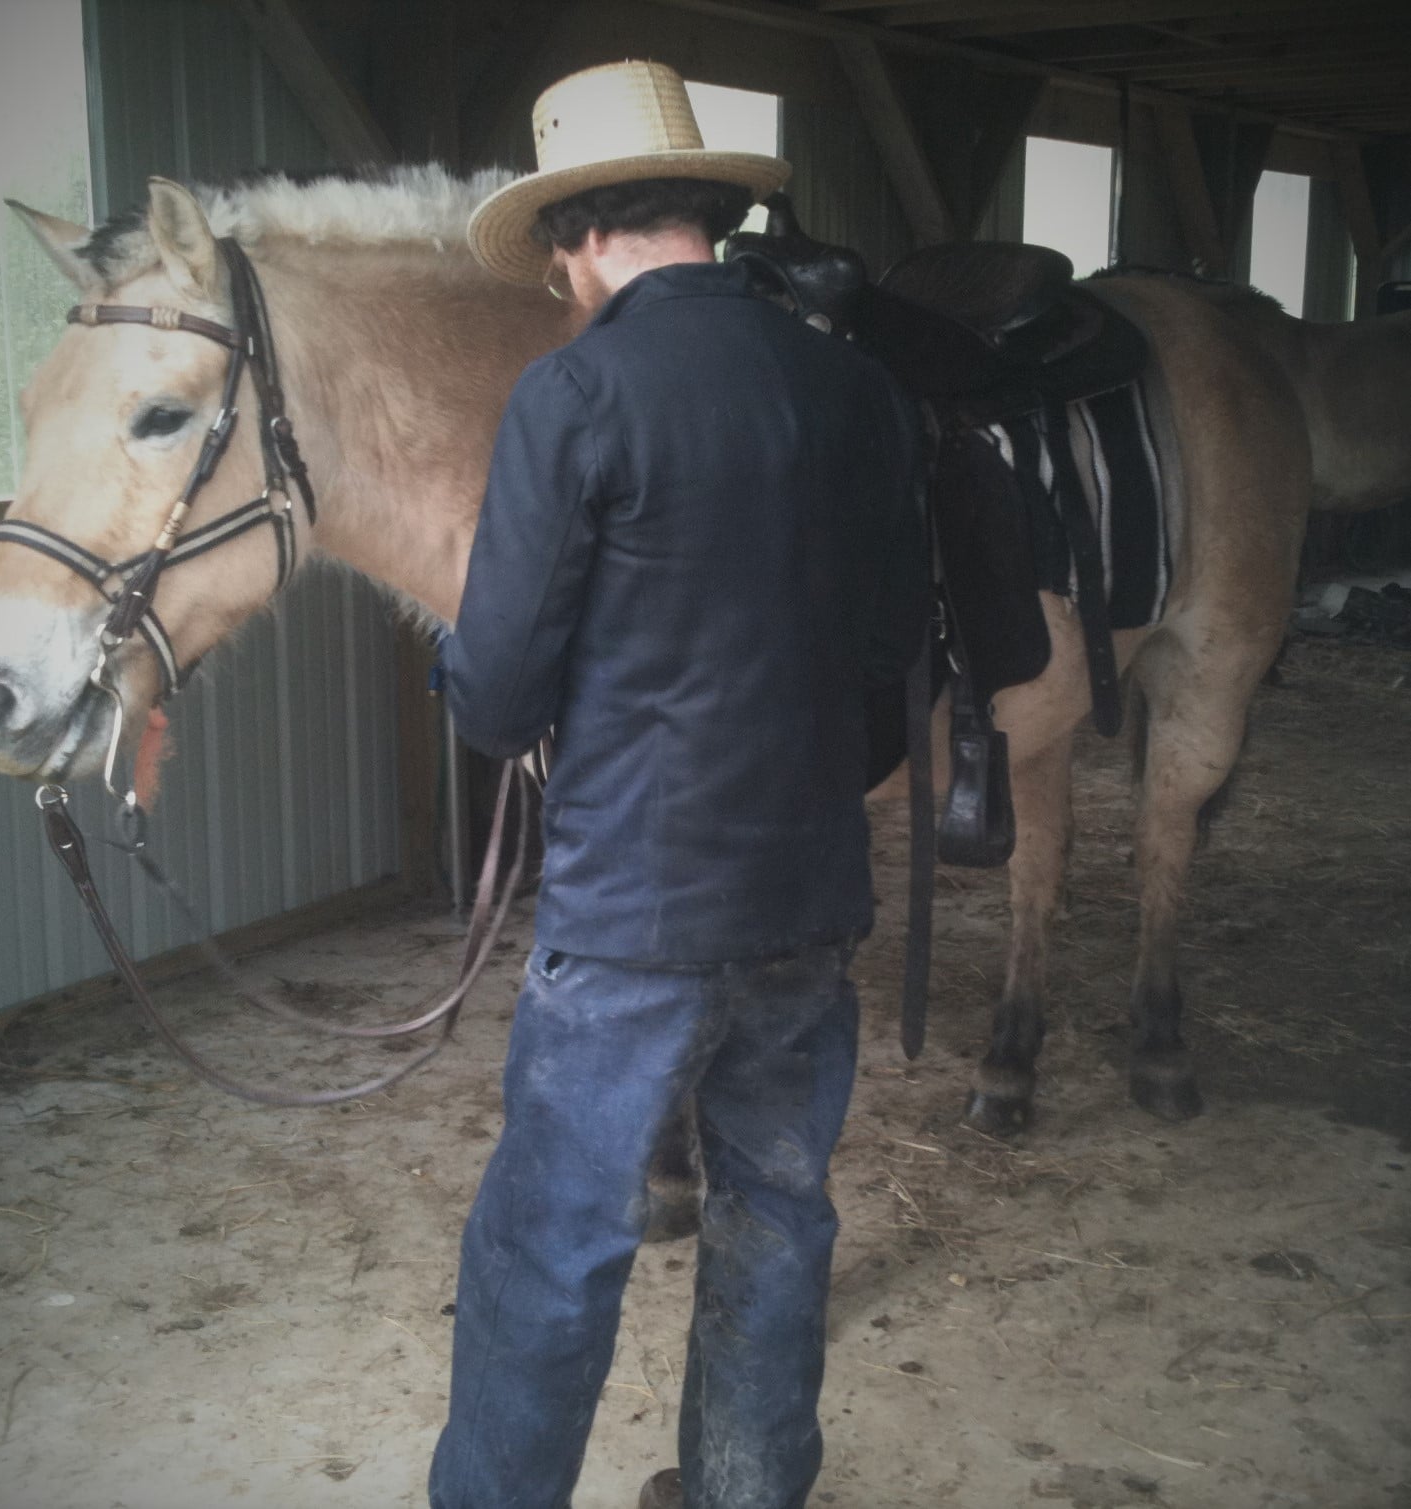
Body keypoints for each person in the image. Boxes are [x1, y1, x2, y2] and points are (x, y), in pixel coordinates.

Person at [431, 59, 928, 1509]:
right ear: (704, 215)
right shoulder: (856, 387)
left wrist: (454, 670)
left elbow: (502, 696)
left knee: (549, 1248)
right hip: (807, 899)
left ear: (578, 237)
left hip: (634, 918)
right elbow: (894, 654)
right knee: (774, 1213)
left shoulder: (573, 391)